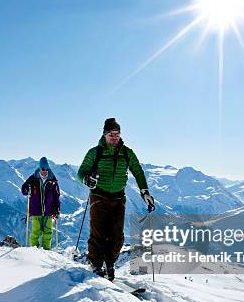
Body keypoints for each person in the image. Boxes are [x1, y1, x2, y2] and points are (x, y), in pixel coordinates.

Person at [77, 118, 154, 281]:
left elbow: (138, 171)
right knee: (98, 232)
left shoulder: (127, 152)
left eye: (117, 134)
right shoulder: (95, 152)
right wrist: (86, 180)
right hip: (98, 195)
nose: (114, 137)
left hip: (118, 197)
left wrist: (145, 192)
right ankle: (96, 265)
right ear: (104, 134)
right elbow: (81, 173)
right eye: (111, 134)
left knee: (117, 235)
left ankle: (110, 265)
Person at [21, 157, 61, 250]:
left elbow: (57, 196)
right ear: (39, 168)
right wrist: (27, 189)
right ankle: (34, 251)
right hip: (36, 211)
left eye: (47, 169)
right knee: (36, 232)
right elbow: (24, 190)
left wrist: (57, 208)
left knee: (48, 232)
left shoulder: (53, 181)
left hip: (48, 211)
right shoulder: (33, 179)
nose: (45, 171)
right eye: (43, 169)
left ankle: (46, 252)